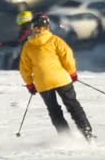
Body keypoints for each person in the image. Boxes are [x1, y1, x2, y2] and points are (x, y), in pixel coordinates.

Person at [19, 13, 94, 141]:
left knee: (54, 110)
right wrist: (72, 73)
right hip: (61, 79)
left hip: (43, 83)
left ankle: (65, 137)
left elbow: (24, 68)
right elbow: (67, 57)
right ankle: (86, 131)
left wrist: (30, 84)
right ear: (47, 26)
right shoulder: (55, 40)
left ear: (33, 28)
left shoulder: (28, 46)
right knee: (73, 105)